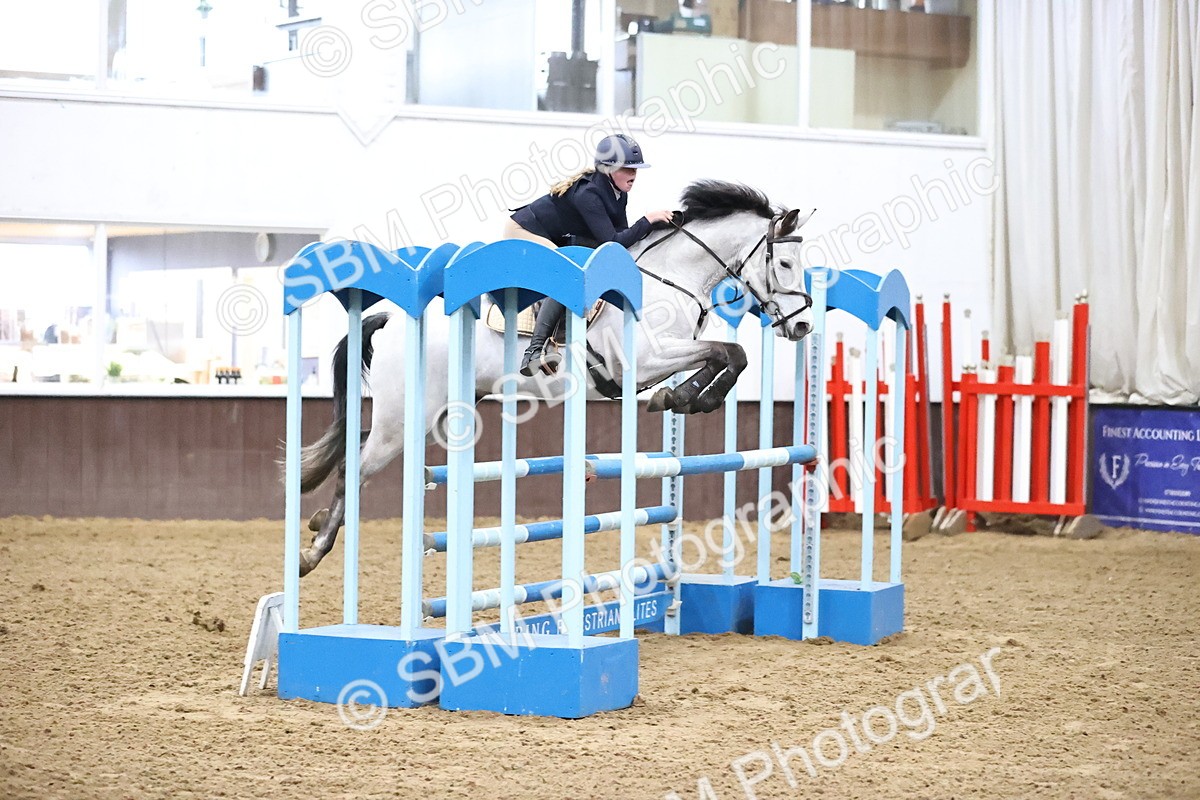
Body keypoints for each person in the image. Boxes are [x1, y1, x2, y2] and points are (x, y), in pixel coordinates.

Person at [506, 133, 674, 377]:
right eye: (627, 168)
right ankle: (533, 351)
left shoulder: (618, 193)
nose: (634, 174)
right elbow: (613, 240)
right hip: (523, 231)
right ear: (608, 169)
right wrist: (647, 220)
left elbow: (619, 242)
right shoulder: (589, 194)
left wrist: (653, 228)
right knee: (565, 272)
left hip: (554, 235)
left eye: (635, 168)